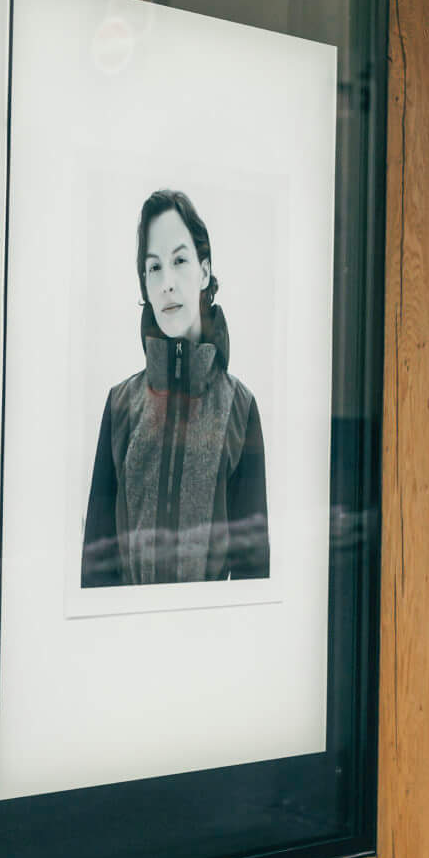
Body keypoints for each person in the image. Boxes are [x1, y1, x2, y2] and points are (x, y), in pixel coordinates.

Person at [81, 189, 271, 586]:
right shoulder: (121, 405)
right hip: (128, 640)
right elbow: (97, 563)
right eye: (153, 268)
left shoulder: (239, 407)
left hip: (208, 641)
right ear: (144, 287)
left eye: (180, 261)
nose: (167, 282)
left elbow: (253, 570)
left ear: (204, 271)